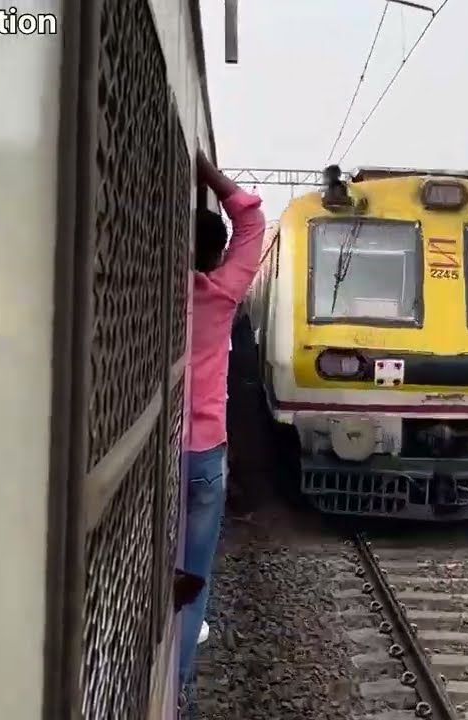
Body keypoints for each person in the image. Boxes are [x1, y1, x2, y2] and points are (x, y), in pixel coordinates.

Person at [177, 149, 265, 692]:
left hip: (152, 452)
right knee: (192, 577)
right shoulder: (221, 295)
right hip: (204, 456)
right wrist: (206, 170)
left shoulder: (150, 290)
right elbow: (251, 221)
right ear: (216, 255)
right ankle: (177, 683)